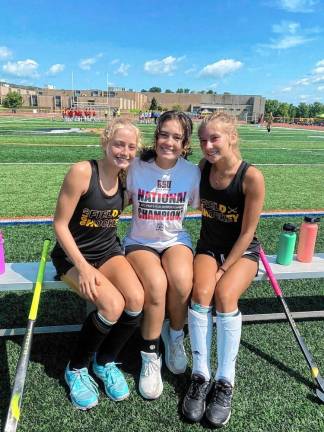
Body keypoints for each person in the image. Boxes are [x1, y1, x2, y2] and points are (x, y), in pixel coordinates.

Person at [51, 118, 144, 410]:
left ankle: (104, 362)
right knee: (112, 305)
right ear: (105, 142)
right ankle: (76, 368)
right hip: (72, 256)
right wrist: (84, 266)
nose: (124, 151)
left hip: (107, 251)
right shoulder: (82, 172)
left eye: (131, 147)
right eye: (118, 144)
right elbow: (60, 224)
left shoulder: (127, 179)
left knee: (137, 300)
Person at [182, 112, 265, 427]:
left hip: (242, 252)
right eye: (203, 140)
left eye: (214, 138)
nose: (207, 146)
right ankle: (200, 376)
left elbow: (247, 233)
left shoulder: (251, 177)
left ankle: (224, 381)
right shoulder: (204, 168)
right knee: (201, 294)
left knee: (225, 296)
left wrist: (224, 269)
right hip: (208, 247)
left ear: (233, 136)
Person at [124, 111, 201, 400]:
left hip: (174, 240)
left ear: (185, 143)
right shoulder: (136, 167)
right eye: (164, 134)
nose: (169, 142)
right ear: (156, 135)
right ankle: (150, 354)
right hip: (140, 242)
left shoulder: (192, 172)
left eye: (176, 137)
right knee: (156, 284)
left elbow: (206, 204)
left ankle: (175, 335)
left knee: (182, 281)